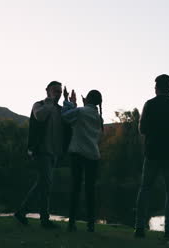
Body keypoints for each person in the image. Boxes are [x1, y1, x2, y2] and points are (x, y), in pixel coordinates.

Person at [134, 74, 169, 239]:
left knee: (145, 189)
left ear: (157, 88)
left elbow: (142, 129)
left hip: (153, 152)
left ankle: (139, 228)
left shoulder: (150, 104)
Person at [14, 81, 71, 229]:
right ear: (47, 91)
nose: (57, 94)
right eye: (55, 91)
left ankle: (22, 212)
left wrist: (68, 101)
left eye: (59, 91)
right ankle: (44, 219)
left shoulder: (60, 109)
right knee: (46, 185)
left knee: (43, 184)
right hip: (42, 151)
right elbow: (40, 117)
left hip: (55, 153)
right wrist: (49, 102)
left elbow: (70, 120)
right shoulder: (38, 105)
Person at [61, 88, 104, 232]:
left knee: (75, 188)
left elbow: (65, 116)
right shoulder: (99, 118)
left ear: (88, 100)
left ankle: (72, 223)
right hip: (93, 156)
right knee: (90, 191)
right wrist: (79, 104)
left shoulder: (81, 111)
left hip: (78, 154)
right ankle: (91, 225)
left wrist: (69, 102)